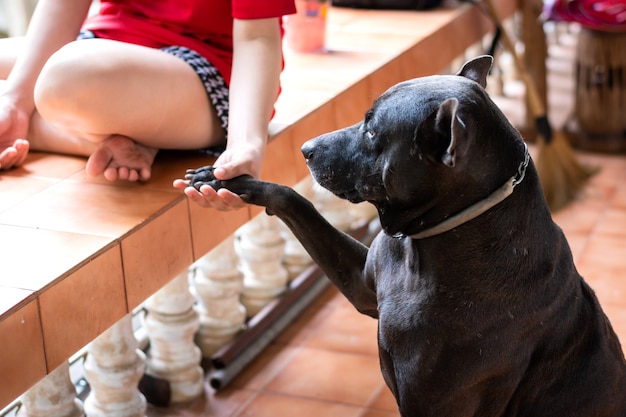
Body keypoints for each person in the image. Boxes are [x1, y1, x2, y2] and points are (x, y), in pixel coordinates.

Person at [0, 0, 296, 210]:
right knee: (60, 78)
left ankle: (113, 130)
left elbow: (257, 35)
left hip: (209, 67)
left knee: (63, 79)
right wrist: (14, 100)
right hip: (112, 46)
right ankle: (123, 136)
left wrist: (246, 144)